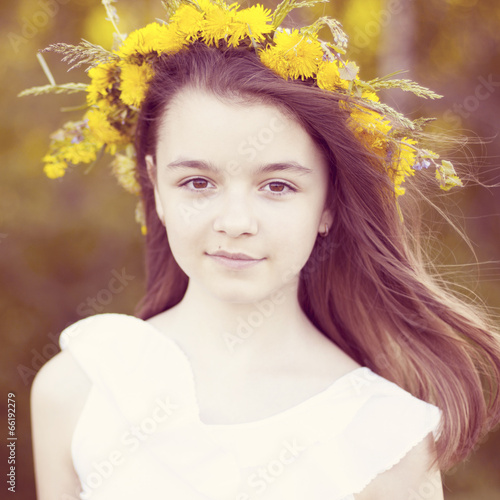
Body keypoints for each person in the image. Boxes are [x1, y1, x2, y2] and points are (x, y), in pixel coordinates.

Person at [26, 1, 500, 499]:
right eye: (196, 182)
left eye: (277, 186)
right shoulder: (80, 388)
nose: (235, 223)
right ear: (156, 189)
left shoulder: (387, 440)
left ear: (328, 205)